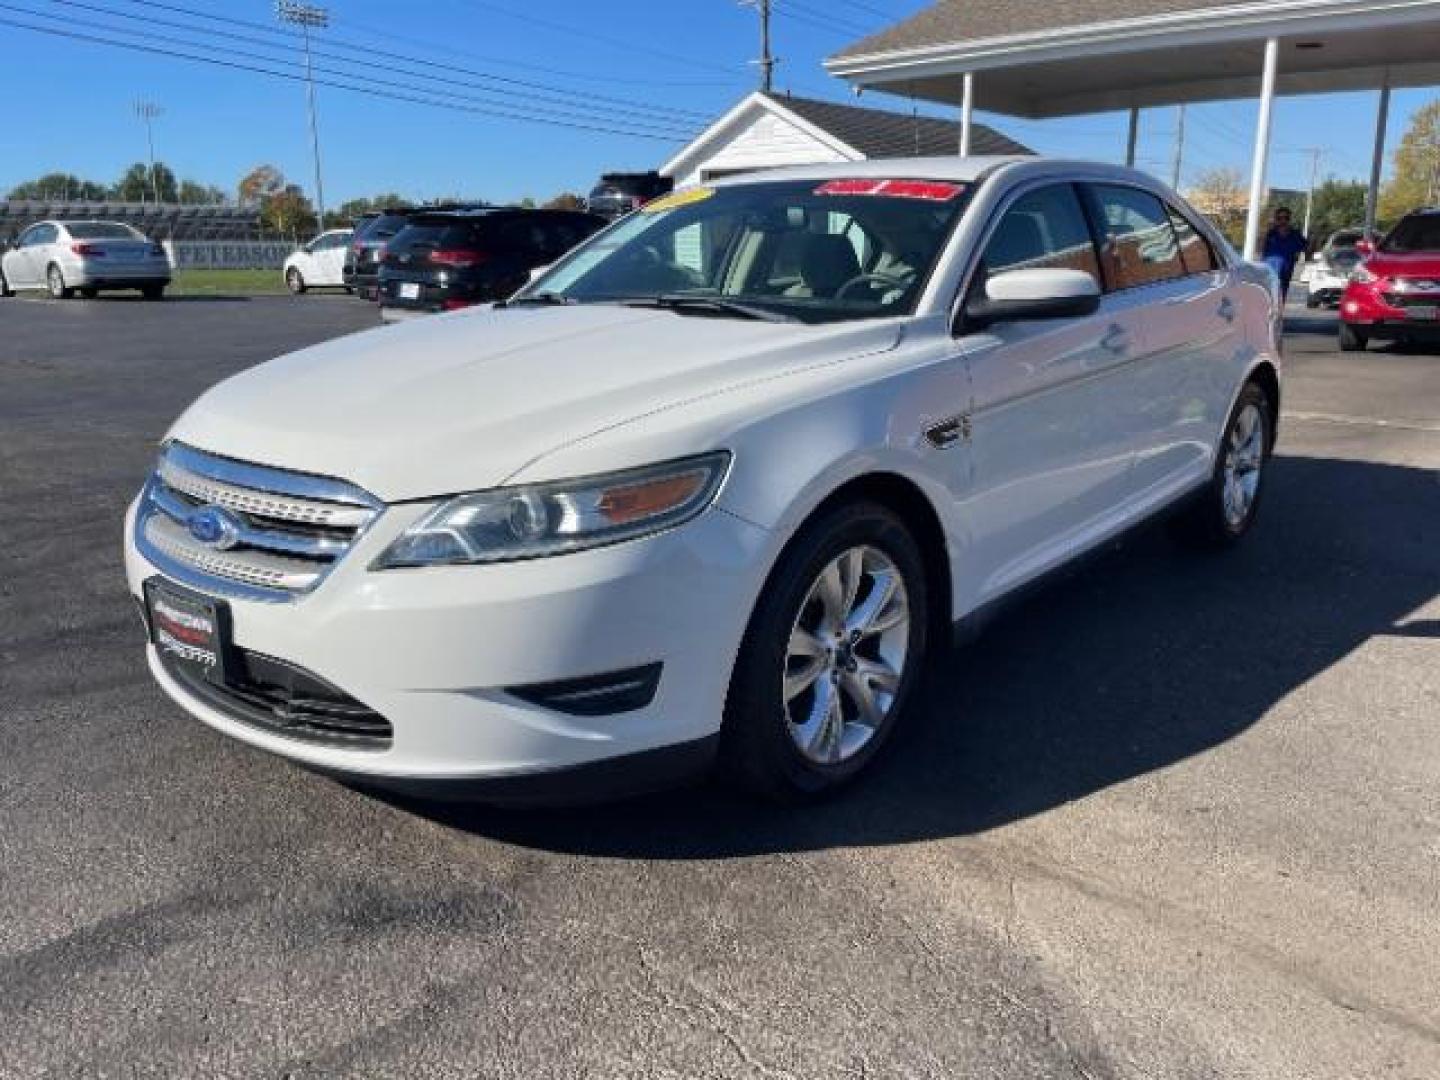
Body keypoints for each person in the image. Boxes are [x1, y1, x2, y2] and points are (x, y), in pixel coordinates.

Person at [1262, 207, 1309, 302]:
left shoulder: (1295, 235)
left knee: (1280, 297)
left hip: (1285, 274)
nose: (1283, 221)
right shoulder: (1270, 234)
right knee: (1267, 297)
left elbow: (1306, 248)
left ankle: (1278, 315)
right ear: (1276, 219)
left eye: (1286, 218)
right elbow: (1262, 250)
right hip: (1270, 273)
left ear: (1289, 219)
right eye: (1279, 218)